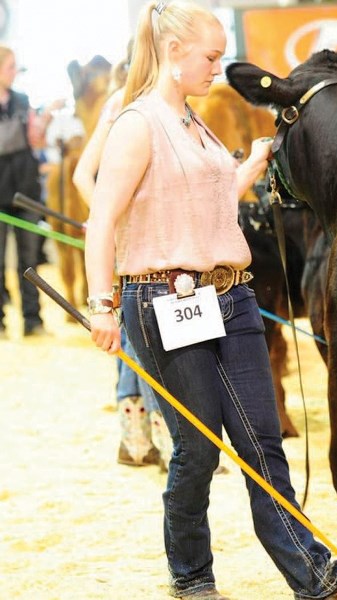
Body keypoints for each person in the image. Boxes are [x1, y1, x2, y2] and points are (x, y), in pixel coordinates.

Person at [84, 2, 337, 599]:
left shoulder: (195, 123)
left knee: (264, 444)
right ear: (174, 52)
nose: (216, 68)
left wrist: (252, 165)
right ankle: (191, 575)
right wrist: (101, 305)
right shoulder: (137, 124)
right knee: (199, 451)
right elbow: (101, 221)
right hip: (161, 302)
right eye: (208, 56)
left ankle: (309, 574)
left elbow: (209, 204)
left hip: (230, 298)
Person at [73, 46, 171, 470]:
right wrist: (111, 220)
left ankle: (136, 442)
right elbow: (83, 173)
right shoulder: (124, 103)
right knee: (144, 336)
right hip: (136, 244)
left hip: (154, 241)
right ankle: (166, 442)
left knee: (135, 336)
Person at [0, 44, 53, 339]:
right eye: (10, 67)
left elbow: (35, 141)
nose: (14, 72)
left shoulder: (22, 100)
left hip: (25, 190)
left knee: (29, 260)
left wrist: (44, 122)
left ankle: (33, 320)